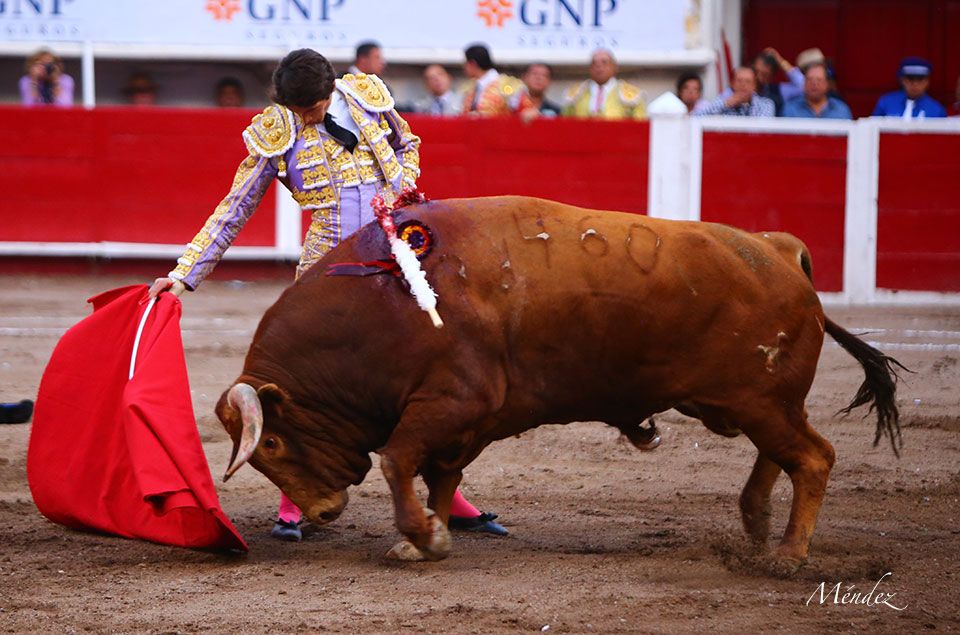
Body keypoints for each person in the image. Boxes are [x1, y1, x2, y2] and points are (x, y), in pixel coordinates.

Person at [148, 48, 506, 542]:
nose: (310, 117)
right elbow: (235, 207)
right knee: (308, 386)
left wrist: (400, 187)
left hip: (396, 251)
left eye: (315, 108)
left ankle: (452, 499)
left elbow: (407, 145)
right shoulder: (278, 130)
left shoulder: (365, 95)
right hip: (328, 270)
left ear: (331, 89)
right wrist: (185, 273)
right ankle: (294, 498)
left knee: (424, 379)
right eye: (301, 111)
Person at [461, 44, 537, 120]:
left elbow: (529, 111)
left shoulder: (508, 85)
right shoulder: (469, 87)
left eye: (466, 63)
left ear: (473, 64)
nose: (464, 67)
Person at [563, 49, 645, 119]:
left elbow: (639, 127)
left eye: (604, 62)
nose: (599, 66)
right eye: (594, 63)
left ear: (615, 67)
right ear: (590, 69)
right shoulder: (575, 94)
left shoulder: (633, 95)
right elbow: (565, 125)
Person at [872, 57, 947, 118]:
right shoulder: (886, 103)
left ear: (927, 81)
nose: (915, 84)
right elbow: (873, 129)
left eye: (920, 79)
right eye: (910, 79)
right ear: (902, 80)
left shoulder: (936, 109)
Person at [751, 47, 814, 115]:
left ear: (771, 75)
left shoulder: (778, 91)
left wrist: (780, 60)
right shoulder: (741, 88)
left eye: (764, 74)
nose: (758, 77)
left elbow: (803, 86)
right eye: (756, 71)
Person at [692, 66, 774, 117]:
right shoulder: (724, 101)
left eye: (748, 81)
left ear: (754, 86)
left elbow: (761, 129)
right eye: (739, 81)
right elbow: (695, 117)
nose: (743, 85)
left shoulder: (765, 104)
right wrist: (726, 103)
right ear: (732, 84)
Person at [782, 62, 852, 119]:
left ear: (827, 84)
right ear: (804, 83)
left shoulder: (841, 110)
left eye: (819, 80)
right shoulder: (790, 109)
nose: (814, 84)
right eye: (810, 80)